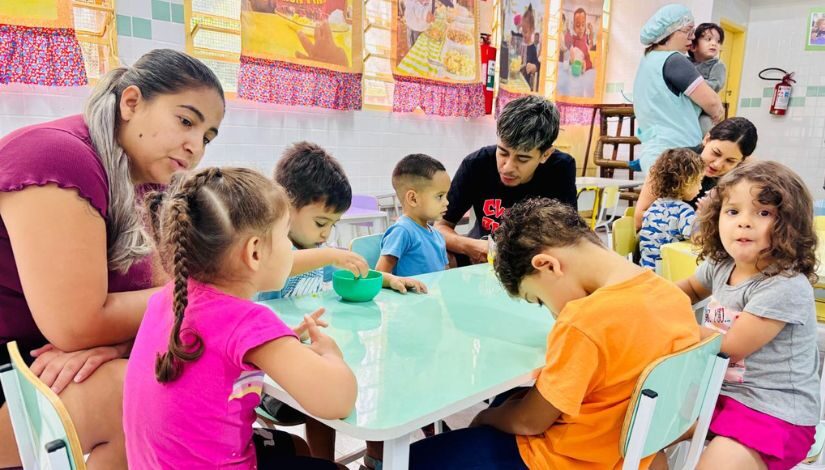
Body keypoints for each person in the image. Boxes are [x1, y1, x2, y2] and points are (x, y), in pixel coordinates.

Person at [0, 49, 225, 469]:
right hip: (15, 363)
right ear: (131, 102)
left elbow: (149, 300)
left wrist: (117, 341)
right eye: (186, 121)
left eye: (207, 137)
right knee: (132, 394)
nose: (195, 146)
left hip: (41, 359)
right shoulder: (57, 157)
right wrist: (203, 294)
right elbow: (79, 323)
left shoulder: (139, 184)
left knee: (164, 374)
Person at [410, 198, 700, 469]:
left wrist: (484, 416)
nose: (553, 313)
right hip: (630, 453)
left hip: (566, 459)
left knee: (410, 458)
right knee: (509, 399)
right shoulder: (671, 296)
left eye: (538, 299)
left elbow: (530, 422)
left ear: (547, 265)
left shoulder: (583, 320)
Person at [123, 167, 354, 468]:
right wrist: (331, 354)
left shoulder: (168, 299)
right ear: (255, 252)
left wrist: (279, 341)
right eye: (285, 235)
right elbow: (337, 401)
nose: (289, 247)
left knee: (295, 445)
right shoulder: (247, 321)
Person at [256, 142, 426, 460]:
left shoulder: (317, 248)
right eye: (321, 223)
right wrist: (331, 254)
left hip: (310, 353)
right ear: (285, 205)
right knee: (331, 381)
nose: (326, 234)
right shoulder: (269, 247)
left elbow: (342, 277)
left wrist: (388, 278)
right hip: (268, 381)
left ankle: (373, 458)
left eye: (333, 225)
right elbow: (277, 268)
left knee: (369, 374)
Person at [677, 161, 820, 469]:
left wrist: (665, 321)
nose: (744, 223)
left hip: (774, 413)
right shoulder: (720, 265)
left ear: (789, 226)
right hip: (720, 396)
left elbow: (730, 345)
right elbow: (686, 289)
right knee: (634, 431)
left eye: (763, 212)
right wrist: (649, 299)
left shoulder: (784, 284)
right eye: (733, 211)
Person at [436, 96, 577, 266]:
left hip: (533, 262)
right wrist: (469, 246)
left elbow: (569, 233)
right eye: (502, 152)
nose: (508, 167)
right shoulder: (476, 164)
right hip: (481, 257)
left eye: (522, 159)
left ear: (545, 155)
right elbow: (440, 227)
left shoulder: (560, 168)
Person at [632, 3, 725, 173]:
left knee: (659, 199)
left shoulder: (648, 59)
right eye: (688, 31)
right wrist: (718, 114)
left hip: (654, 151)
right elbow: (712, 103)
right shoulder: (675, 61)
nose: (692, 37)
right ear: (670, 31)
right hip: (678, 153)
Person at [634, 117, 758, 230]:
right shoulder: (673, 163)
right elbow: (639, 218)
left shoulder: (739, 175)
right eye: (716, 153)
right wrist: (696, 219)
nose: (717, 165)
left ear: (741, 161)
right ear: (707, 139)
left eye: (730, 161)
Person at [377, 154, 450, 277]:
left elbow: (446, 276)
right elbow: (379, 274)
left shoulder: (438, 235)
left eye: (447, 196)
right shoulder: (402, 231)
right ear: (413, 199)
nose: (447, 202)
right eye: (440, 196)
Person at [638, 148, 704, 269]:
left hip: (646, 271)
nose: (700, 187)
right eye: (699, 181)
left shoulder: (654, 207)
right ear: (686, 181)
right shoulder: (683, 211)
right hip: (668, 273)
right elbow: (699, 238)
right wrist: (702, 215)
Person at [689, 23, 727, 134]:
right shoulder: (686, 62)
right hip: (688, 109)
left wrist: (692, 83)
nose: (714, 43)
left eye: (718, 41)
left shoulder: (717, 65)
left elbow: (715, 85)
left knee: (706, 129)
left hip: (704, 111)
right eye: (708, 39)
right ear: (693, 46)